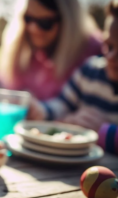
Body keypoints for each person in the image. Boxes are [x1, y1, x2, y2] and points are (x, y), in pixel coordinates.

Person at [28, 0, 118, 131]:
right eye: (109, 46)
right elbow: (63, 105)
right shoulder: (90, 70)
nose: (111, 57)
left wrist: (104, 131)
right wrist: (39, 110)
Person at [0, 0, 102, 101]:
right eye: (28, 19)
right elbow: (5, 85)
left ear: (67, 21)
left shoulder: (95, 51)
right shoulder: (26, 52)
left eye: (45, 23)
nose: (33, 28)